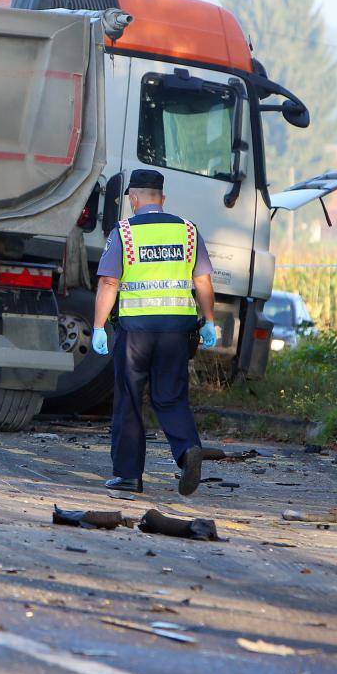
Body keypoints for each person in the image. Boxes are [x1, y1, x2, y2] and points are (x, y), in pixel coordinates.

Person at [91, 168, 219, 495]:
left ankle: (128, 476)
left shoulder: (125, 232)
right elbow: (203, 281)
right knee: (171, 396)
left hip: (136, 330)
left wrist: (98, 326)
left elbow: (109, 281)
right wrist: (208, 320)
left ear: (133, 198)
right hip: (177, 330)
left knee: (131, 399)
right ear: (162, 199)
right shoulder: (188, 231)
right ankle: (187, 448)